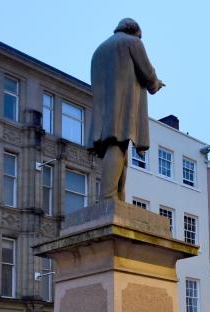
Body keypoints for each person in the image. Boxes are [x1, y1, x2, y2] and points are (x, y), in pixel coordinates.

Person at [90, 18, 164, 202]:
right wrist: (156, 84)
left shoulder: (98, 50)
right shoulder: (132, 42)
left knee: (117, 148)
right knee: (117, 144)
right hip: (123, 103)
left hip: (103, 107)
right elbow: (147, 73)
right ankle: (108, 198)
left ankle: (118, 198)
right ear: (135, 31)